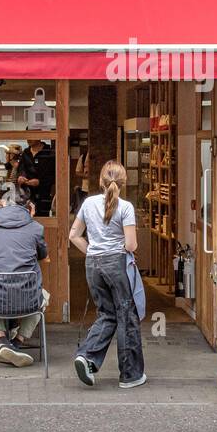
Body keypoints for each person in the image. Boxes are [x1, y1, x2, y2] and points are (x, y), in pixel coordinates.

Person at [71, 161, 145, 389]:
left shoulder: (88, 203)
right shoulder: (125, 207)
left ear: (100, 181)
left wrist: (94, 252)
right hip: (117, 265)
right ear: (124, 183)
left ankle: (87, 356)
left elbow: (74, 235)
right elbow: (131, 245)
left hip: (93, 264)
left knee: (106, 314)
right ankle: (130, 375)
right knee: (127, 316)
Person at [0, 185, 49, 368]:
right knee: (44, 297)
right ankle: (17, 343)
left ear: (2, 203)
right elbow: (42, 254)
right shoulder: (36, 228)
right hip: (28, 299)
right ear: (27, 205)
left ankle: (3, 342)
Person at [16, 137, 56, 216]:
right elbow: (21, 169)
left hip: (44, 194)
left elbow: (55, 174)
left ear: (39, 136)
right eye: (27, 136)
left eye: (32, 136)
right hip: (27, 195)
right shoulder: (26, 152)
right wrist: (21, 177)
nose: (29, 139)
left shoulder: (49, 152)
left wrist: (40, 182)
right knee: (25, 219)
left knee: (42, 220)